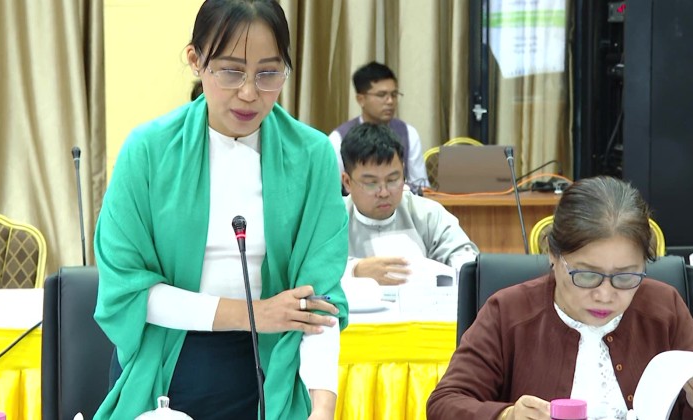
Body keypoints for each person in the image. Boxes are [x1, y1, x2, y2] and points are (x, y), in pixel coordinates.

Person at [93, 1, 349, 419]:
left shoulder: (313, 155)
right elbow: (128, 290)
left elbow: (318, 302)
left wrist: (322, 407)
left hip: (274, 368)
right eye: (231, 71)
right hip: (166, 363)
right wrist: (256, 314)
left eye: (269, 74)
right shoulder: (148, 151)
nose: (249, 93)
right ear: (196, 60)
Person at [426, 176, 693, 419]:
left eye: (625, 277)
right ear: (554, 256)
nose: (605, 295)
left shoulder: (664, 307)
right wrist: (506, 415)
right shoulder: (508, 312)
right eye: (587, 276)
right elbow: (444, 403)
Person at [340, 123, 478, 285]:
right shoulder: (331, 219)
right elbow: (315, 269)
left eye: (393, 180)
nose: (384, 192)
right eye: (371, 183)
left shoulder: (427, 214)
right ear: (347, 182)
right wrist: (354, 270)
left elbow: (466, 260)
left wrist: (461, 266)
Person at [329, 61, 428, 190]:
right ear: (361, 99)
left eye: (394, 94)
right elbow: (332, 191)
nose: (390, 101)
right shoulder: (338, 139)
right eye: (381, 95)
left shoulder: (408, 133)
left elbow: (420, 186)